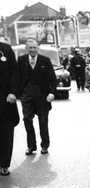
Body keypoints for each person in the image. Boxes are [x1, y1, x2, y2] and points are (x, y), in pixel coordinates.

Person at [17, 38, 56, 156]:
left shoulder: (45, 60)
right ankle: (31, 146)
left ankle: (44, 145)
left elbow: (52, 79)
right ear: (26, 49)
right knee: (27, 120)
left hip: (42, 97)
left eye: (34, 47)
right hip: (27, 96)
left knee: (43, 122)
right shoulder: (21, 60)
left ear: (38, 48)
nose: (32, 50)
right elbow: (17, 77)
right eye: (30, 48)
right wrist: (18, 93)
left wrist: (52, 92)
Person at [0, 40, 19, 176]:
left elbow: (15, 72)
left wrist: (13, 92)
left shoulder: (6, 49)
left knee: (6, 133)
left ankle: (4, 164)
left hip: (5, 100)